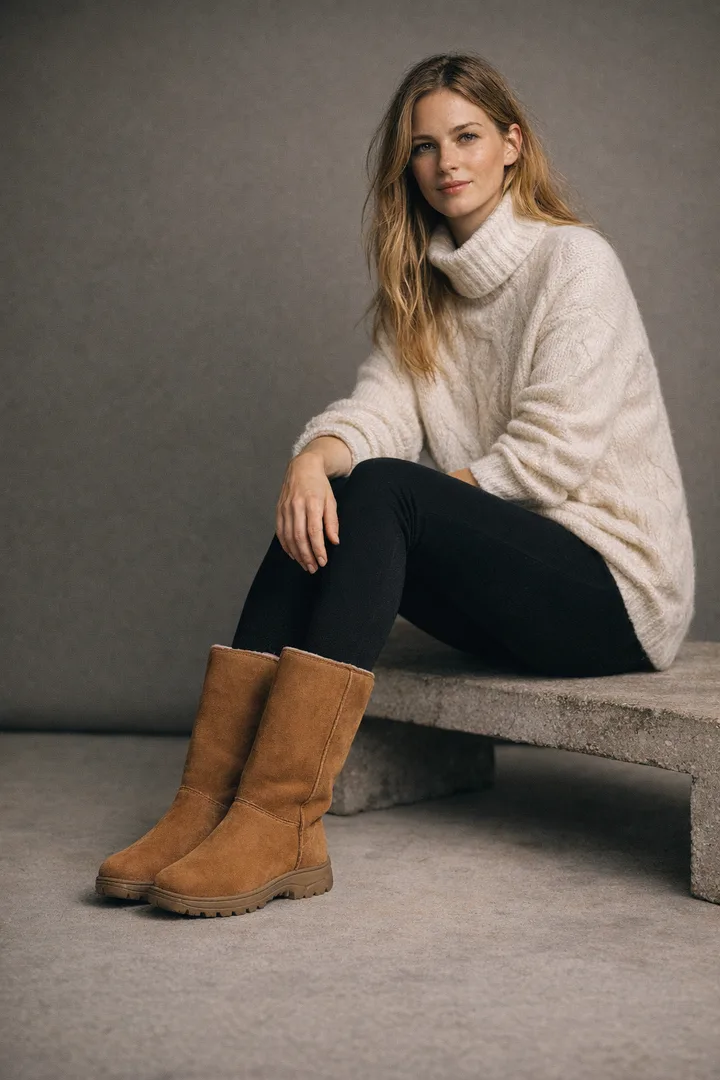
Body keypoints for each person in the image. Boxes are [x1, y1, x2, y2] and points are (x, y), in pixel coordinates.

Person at [95, 52, 695, 918]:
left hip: (616, 593)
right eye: (425, 146)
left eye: (467, 137)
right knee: (342, 485)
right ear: (406, 167)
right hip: (511, 590)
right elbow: (376, 411)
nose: (447, 162)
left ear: (511, 146)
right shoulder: (425, 292)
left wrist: (417, 508)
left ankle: (283, 816)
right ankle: (206, 804)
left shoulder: (576, 263)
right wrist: (314, 459)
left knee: (383, 493)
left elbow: (555, 452)